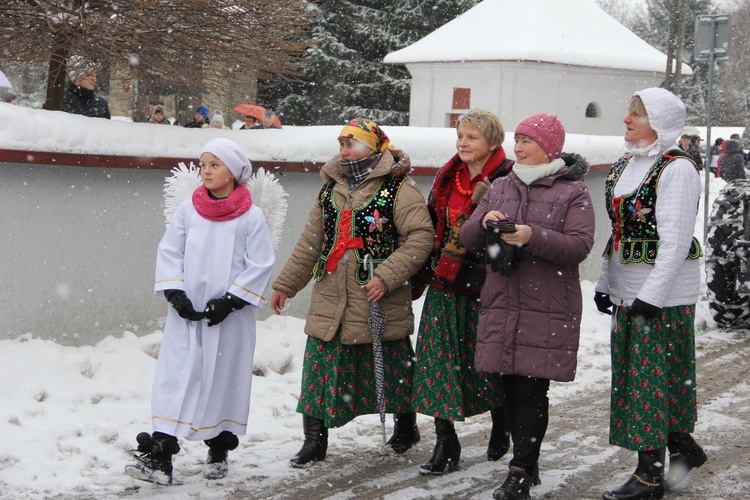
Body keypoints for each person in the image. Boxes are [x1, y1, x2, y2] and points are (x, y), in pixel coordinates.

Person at [269, 118, 434, 468]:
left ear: (374, 148)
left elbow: (421, 238)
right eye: (342, 142)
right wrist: (286, 284)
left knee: (392, 368)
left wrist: (387, 275)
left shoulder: (400, 188)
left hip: (378, 297)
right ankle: (314, 439)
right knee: (318, 369)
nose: (344, 150)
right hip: (330, 295)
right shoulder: (330, 189)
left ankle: (406, 428)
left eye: (353, 143)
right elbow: (311, 242)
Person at [460, 114, 595, 500]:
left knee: (531, 390)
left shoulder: (573, 191)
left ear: (549, 147)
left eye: (527, 141)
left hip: (547, 306)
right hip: (503, 303)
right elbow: (468, 237)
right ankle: (528, 463)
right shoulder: (501, 185)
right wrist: (484, 220)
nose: (518, 147)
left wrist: (532, 236)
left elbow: (578, 247)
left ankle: (520, 470)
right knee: (507, 387)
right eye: (517, 140)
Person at [127, 138, 275, 484]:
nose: (205, 171)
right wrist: (176, 293)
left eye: (214, 165)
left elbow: (260, 263)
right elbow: (170, 250)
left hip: (229, 318)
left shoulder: (251, 217)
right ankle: (161, 454)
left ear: (235, 172)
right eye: (203, 164)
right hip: (186, 315)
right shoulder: (188, 211)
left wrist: (231, 301)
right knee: (176, 376)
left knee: (222, 379)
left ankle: (219, 446)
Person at [594, 88, 706, 500]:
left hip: (662, 294)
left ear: (658, 123)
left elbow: (674, 243)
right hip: (630, 289)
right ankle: (682, 447)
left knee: (647, 382)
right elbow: (619, 232)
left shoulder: (677, 169)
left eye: (636, 115)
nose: (626, 119)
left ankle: (649, 475)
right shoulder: (629, 164)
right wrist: (607, 283)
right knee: (650, 378)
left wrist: (653, 295)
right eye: (629, 112)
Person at [410, 109, 513, 476]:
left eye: (472, 137)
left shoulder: (508, 178)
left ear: (492, 142)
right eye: (460, 136)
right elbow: (431, 221)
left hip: (487, 283)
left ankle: (501, 418)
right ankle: (445, 441)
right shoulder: (447, 175)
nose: (463, 143)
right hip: (445, 278)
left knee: (484, 361)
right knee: (437, 362)